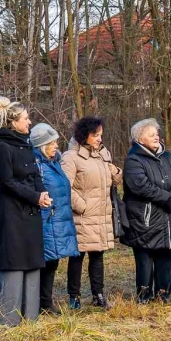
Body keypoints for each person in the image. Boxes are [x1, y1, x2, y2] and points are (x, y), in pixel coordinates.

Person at [0, 97, 47, 326]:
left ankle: (30, 317)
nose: (29, 122)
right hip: (12, 212)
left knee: (32, 259)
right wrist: (35, 197)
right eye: (25, 119)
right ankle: (8, 319)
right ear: (13, 122)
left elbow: (35, 175)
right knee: (14, 260)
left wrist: (43, 195)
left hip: (32, 210)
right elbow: (8, 182)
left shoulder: (27, 145)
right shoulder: (2, 148)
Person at [62, 116, 122, 310]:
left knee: (98, 256)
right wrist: (81, 206)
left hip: (101, 215)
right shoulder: (70, 157)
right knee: (77, 256)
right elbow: (65, 187)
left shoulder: (103, 154)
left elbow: (114, 182)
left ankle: (98, 295)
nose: (99, 139)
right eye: (95, 135)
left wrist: (115, 171)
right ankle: (74, 296)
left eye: (100, 135)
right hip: (82, 216)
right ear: (84, 135)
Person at [123, 118, 171, 303]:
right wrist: (167, 199)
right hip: (144, 218)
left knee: (166, 253)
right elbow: (141, 186)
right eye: (151, 134)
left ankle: (163, 294)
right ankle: (144, 296)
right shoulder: (134, 159)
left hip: (167, 217)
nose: (156, 137)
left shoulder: (167, 156)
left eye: (156, 133)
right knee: (145, 258)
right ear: (140, 139)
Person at [31, 123, 79, 316]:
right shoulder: (37, 166)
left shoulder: (54, 163)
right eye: (52, 143)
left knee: (52, 262)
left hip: (57, 220)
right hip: (45, 221)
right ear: (42, 146)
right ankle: (38, 303)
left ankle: (45, 302)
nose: (57, 146)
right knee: (43, 263)